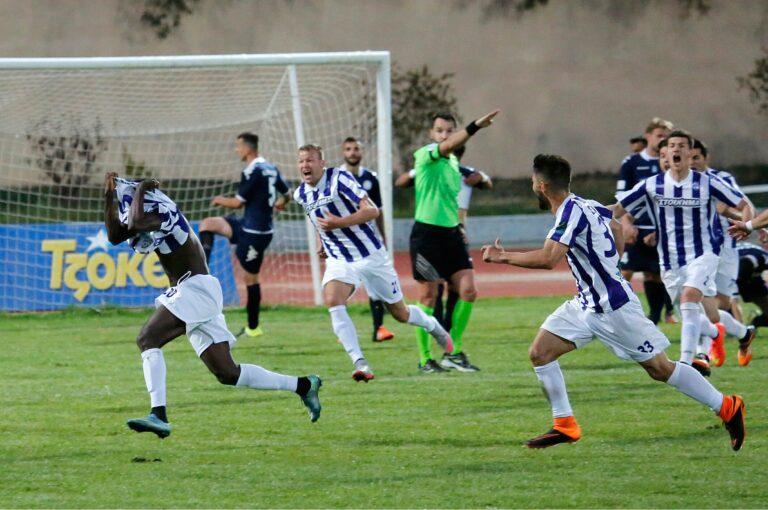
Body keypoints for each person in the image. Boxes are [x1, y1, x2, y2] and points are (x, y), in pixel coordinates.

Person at [481, 154, 746, 451]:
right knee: (540, 353)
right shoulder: (588, 204)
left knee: (660, 368)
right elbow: (617, 226)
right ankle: (564, 424)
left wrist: (502, 257)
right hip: (586, 304)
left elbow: (548, 258)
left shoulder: (571, 213)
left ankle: (727, 406)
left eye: (533, 182)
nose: (532, 186)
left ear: (541, 186)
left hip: (614, 307)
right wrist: (612, 264)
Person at [103, 172, 321, 439]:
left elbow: (135, 221)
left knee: (147, 339)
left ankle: (158, 414)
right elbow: (115, 235)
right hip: (195, 291)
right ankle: (303, 385)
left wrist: (142, 188)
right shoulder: (151, 215)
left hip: (195, 289)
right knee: (228, 373)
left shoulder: (165, 214)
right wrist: (108, 197)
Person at [292, 144, 454, 382]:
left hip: (370, 256)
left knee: (400, 313)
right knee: (333, 300)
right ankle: (360, 363)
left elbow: (372, 211)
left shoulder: (340, 179)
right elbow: (318, 221)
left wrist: (339, 223)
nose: (304, 165)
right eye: (301, 161)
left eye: (309, 160)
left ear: (322, 163)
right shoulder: (300, 194)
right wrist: (322, 242)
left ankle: (433, 326)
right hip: (339, 259)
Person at [615, 130, 755, 376]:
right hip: (670, 260)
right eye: (671, 145)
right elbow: (619, 208)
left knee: (691, 300)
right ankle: (740, 333)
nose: (676, 149)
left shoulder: (708, 182)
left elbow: (744, 205)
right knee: (703, 315)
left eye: (681, 145)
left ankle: (687, 362)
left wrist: (747, 225)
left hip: (704, 254)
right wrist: (587, 213)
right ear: (665, 153)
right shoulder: (653, 184)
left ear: (690, 153)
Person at [406, 110, 499, 373]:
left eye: (449, 130)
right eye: (440, 130)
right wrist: (475, 126)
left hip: (452, 235)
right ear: (431, 134)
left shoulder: (454, 164)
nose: (444, 135)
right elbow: (445, 148)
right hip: (426, 237)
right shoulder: (425, 154)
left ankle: (453, 352)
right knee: (428, 296)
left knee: (468, 290)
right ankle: (425, 359)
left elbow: (453, 200)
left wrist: (458, 225)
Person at [198, 132, 291, 339]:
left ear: (248, 149)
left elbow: (238, 203)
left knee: (250, 279)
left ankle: (253, 327)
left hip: (256, 234)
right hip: (247, 226)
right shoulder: (271, 168)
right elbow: (287, 194)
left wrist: (219, 199)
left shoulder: (252, 171)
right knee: (208, 224)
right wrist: (281, 203)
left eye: (238, 146)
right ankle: (202, 273)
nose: (236, 150)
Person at [394, 145, 492, 332]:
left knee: (459, 287)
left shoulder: (466, 173)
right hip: (431, 235)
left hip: (457, 235)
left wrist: (482, 177)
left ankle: (448, 327)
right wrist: (414, 172)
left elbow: (488, 184)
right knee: (434, 287)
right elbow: (400, 182)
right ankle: (437, 325)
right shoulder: (429, 169)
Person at [690, 138, 755, 367]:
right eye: (689, 157)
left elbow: (745, 209)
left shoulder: (721, 179)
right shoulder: (678, 184)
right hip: (697, 250)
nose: (692, 162)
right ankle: (702, 354)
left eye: (696, 157)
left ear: (705, 158)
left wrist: (733, 216)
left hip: (726, 246)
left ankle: (743, 333)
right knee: (695, 301)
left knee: (721, 303)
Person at [616, 118, 676, 325]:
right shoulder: (631, 163)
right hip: (637, 227)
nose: (663, 139)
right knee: (625, 271)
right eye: (660, 135)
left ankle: (657, 316)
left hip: (665, 229)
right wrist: (626, 224)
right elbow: (622, 197)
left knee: (657, 274)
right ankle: (618, 313)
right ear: (648, 136)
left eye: (667, 136)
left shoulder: (672, 163)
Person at [339, 136, 395, 343]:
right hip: (343, 241)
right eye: (348, 149)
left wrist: (383, 237)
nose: (352, 152)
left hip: (368, 241)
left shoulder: (371, 178)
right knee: (342, 285)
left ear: (361, 152)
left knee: (375, 284)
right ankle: (343, 332)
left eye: (356, 149)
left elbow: (378, 211)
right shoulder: (336, 178)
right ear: (343, 152)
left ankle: (379, 329)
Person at [734, 242, 768, 330]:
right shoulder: (729, 262)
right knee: (726, 303)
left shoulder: (763, 257)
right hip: (734, 275)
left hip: (754, 278)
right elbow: (733, 301)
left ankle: (756, 322)